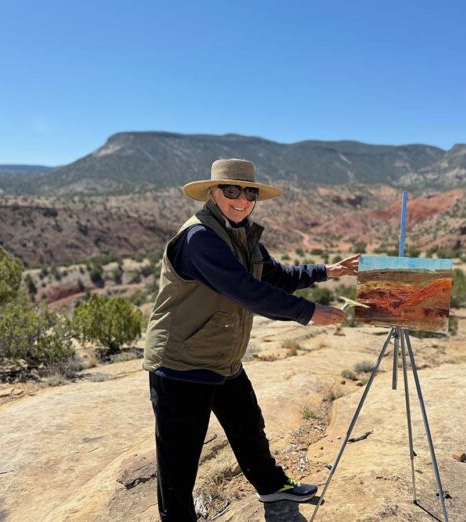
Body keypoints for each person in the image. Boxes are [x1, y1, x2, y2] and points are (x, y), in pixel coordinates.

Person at [142, 158, 359, 521]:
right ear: (212, 192)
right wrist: (308, 313)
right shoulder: (200, 238)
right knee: (179, 460)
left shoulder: (241, 234)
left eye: (249, 192)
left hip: (222, 358)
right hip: (181, 362)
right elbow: (247, 291)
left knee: (248, 427)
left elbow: (273, 275)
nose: (241, 199)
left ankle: (272, 487)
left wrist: (327, 271)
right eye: (231, 190)